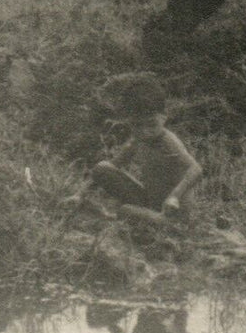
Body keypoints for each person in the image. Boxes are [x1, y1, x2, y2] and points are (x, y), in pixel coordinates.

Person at [80, 72, 202, 221]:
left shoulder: (168, 142)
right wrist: (80, 194)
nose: (145, 132)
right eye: (137, 125)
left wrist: (174, 197)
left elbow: (195, 169)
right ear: (129, 121)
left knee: (125, 211)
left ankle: (156, 221)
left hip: (172, 211)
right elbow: (112, 166)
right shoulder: (138, 140)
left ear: (164, 116)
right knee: (101, 168)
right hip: (151, 202)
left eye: (151, 124)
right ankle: (144, 216)